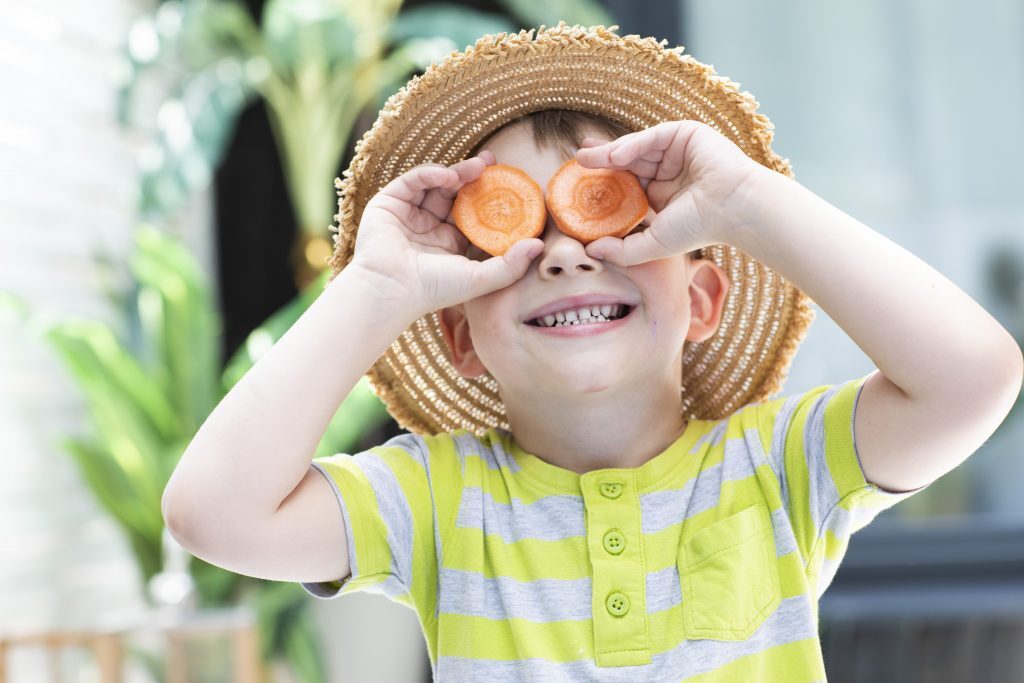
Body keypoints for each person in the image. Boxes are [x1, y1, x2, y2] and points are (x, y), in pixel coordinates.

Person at [161, 23, 1023, 681]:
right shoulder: (438, 501)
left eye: (612, 213)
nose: (566, 254)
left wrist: (746, 202)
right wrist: (377, 288)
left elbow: (974, 377)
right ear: (462, 337)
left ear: (701, 300)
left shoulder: (775, 469)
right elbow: (213, 514)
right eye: (515, 231)